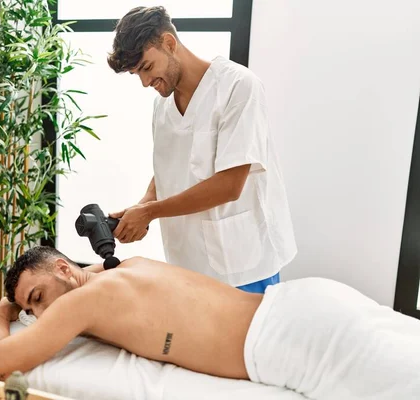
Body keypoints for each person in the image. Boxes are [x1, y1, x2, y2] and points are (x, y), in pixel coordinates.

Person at [0, 246, 420, 399]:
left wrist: (1, 312)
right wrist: (24, 305)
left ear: (66, 270)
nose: (40, 314)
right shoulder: (125, 268)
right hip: (303, 308)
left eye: (37, 298)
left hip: (298, 340)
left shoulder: (84, 300)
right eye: (30, 310)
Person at [105, 6, 297, 293]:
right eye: (137, 74)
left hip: (242, 261)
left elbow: (229, 185)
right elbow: (168, 168)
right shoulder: (163, 103)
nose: (145, 82)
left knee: (250, 338)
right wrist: (142, 207)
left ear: (169, 43)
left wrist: (150, 213)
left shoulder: (238, 87)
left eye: (146, 67)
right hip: (188, 263)